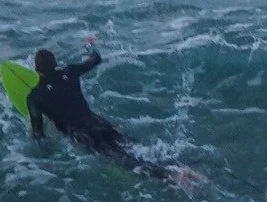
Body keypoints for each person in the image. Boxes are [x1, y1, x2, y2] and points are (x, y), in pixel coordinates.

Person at [24, 35, 186, 183]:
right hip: (98, 123)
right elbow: (95, 59)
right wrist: (89, 46)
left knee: (122, 160)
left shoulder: (34, 96)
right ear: (56, 64)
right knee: (135, 148)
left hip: (82, 134)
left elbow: (38, 134)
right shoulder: (70, 71)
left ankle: (173, 177)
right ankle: (179, 167)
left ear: (37, 70)